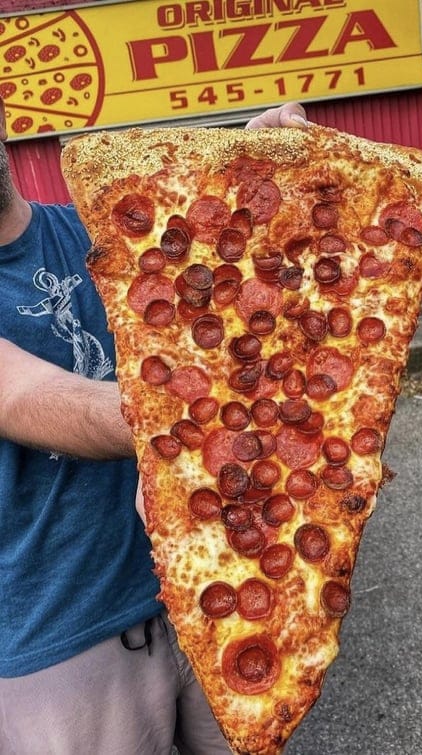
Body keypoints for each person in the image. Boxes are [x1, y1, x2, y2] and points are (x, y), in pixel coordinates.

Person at [0, 100, 308, 755]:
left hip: (206, 590)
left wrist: (251, 179)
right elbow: (27, 395)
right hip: (64, 637)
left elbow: (211, 281)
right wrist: (197, 417)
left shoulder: (91, 230)